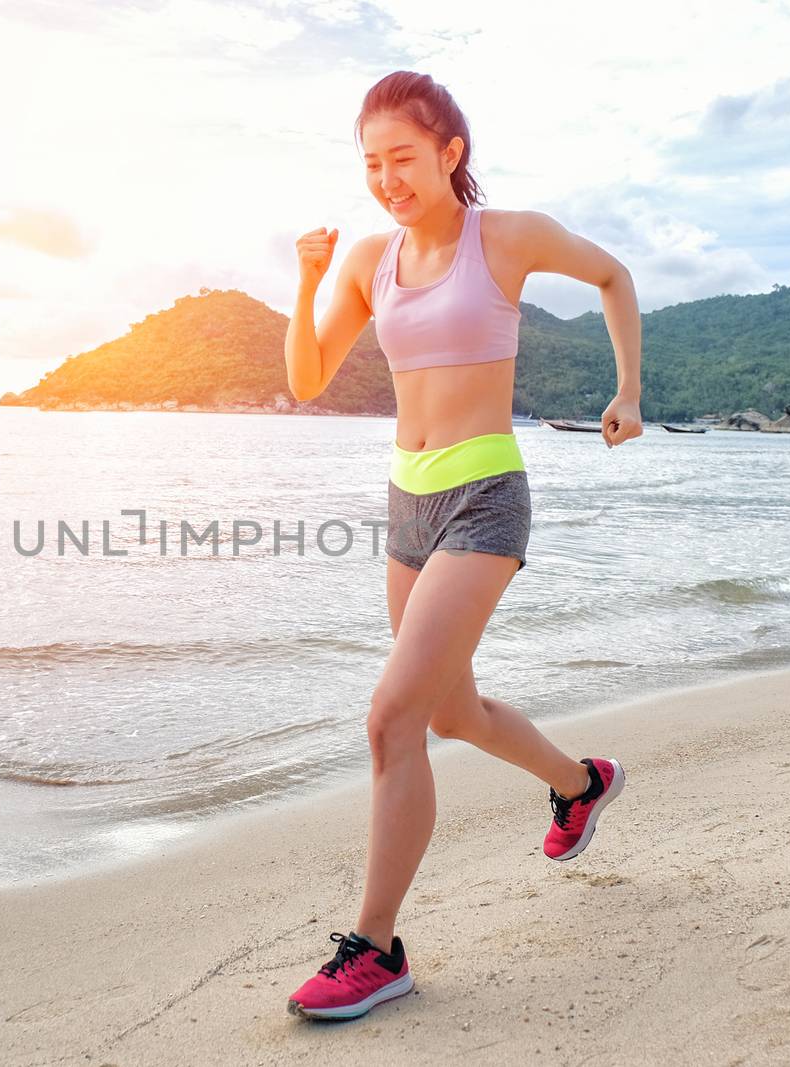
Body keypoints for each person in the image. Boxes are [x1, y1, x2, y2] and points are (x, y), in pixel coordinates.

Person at [281, 70, 644, 1022]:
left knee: (391, 719)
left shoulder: (507, 238)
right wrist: (310, 277)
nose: (386, 178)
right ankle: (580, 783)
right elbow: (310, 378)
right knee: (450, 713)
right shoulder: (370, 259)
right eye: (370, 163)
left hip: (485, 499)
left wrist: (627, 391)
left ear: (450, 153)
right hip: (409, 505)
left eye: (402, 157)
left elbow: (614, 275)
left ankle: (377, 948)